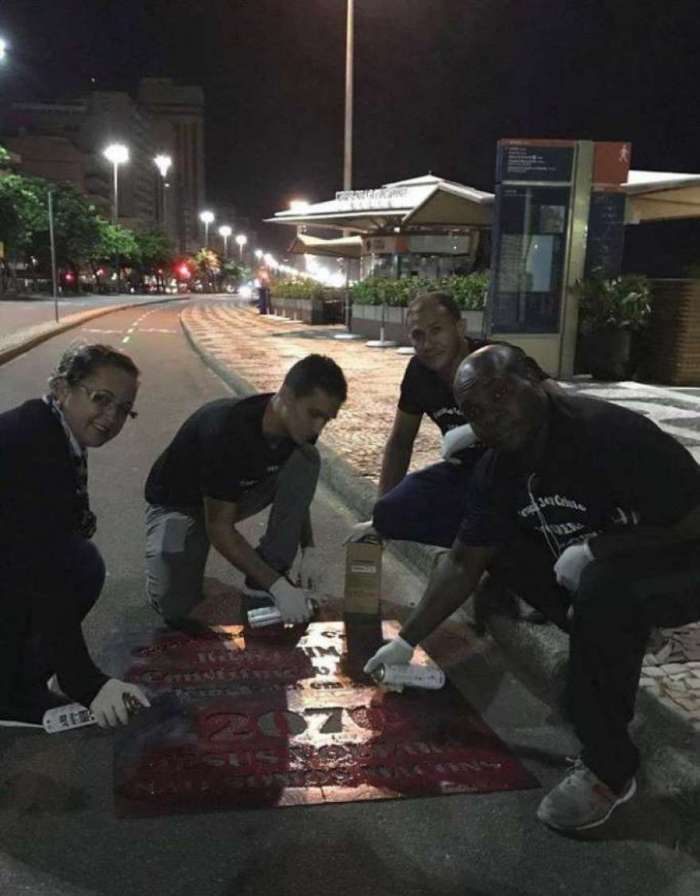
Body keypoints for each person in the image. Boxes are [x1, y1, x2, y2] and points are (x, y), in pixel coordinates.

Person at [364, 343, 700, 833]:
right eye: (476, 411)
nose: (492, 415)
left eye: (501, 393)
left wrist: (602, 550)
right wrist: (406, 640)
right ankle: (609, 639)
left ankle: (610, 769)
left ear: (534, 379)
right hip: (619, 573)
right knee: (505, 552)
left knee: (604, 586)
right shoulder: (498, 470)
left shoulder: (607, 433)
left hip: (683, 562)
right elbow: (463, 562)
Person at [0, 344, 151, 729]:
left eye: (123, 409)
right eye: (101, 399)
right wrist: (87, 683)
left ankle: (20, 679)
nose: (111, 416)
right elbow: (42, 575)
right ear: (64, 389)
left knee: (78, 560)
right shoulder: (33, 443)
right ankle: (11, 696)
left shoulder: (51, 428)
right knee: (73, 567)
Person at [144, 354, 347, 630]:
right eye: (314, 413)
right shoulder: (227, 429)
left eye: (327, 419)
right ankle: (260, 578)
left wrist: (308, 547)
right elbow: (219, 529)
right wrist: (281, 589)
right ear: (286, 395)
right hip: (179, 505)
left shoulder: (298, 431)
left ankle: (266, 573)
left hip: (236, 495)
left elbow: (296, 495)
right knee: (174, 605)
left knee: (306, 459)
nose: (318, 427)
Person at [346, 291, 549, 550]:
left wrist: (476, 430)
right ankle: (474, 542)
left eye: (437, 330)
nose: (428, 343)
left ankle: (488, 551)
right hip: (464, 472)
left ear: (460, 327)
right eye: (418, 335)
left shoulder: (496, 358)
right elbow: (400, 442)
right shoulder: (419, 372)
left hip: (517, 468)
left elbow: (555, 402)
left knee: (500, 525)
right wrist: (380, 521)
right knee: (390, 512)